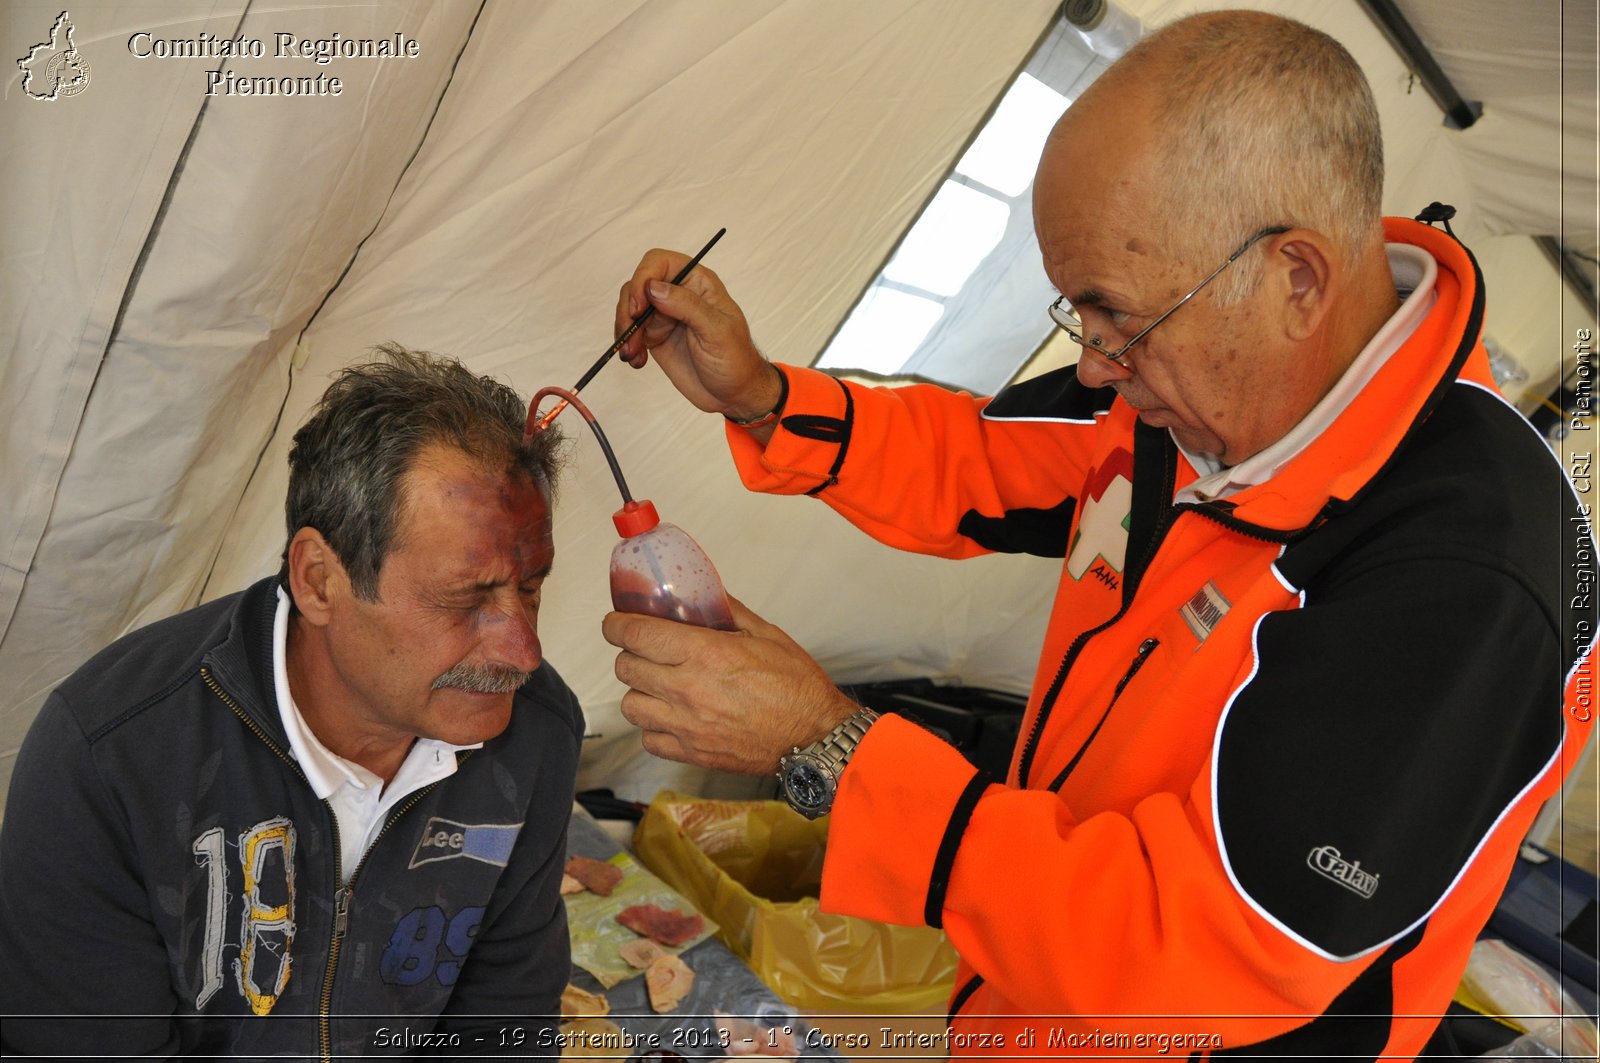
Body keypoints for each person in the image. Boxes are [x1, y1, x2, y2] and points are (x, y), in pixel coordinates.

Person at [600, 10, 1595, 1059]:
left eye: (1114, 317)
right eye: (1078, 314)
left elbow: (1203, 951)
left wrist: (832, 747)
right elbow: (982, 459)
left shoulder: (1472, 568)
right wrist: (762, 397)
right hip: (1027, 988)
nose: (1089, 365)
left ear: (1295, 278)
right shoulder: (1184, 390)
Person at [0, 346, 583, 1058]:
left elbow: (502, 1031)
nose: (523, 650)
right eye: (468, 597)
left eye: (531, 586)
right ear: (318, 580)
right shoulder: (112, 759)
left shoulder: (536, 735)